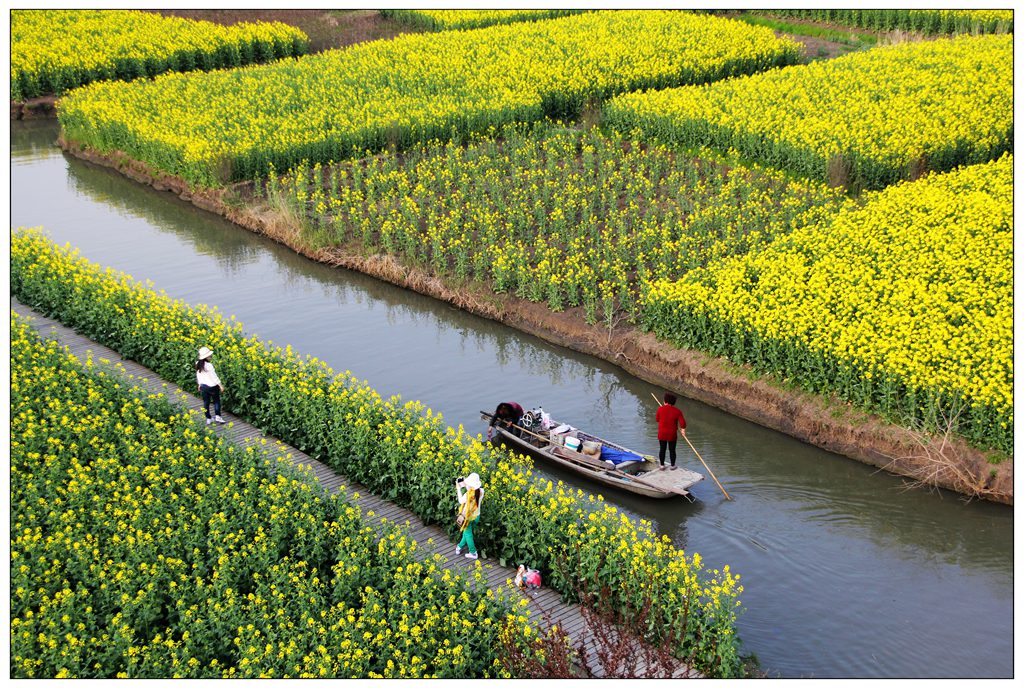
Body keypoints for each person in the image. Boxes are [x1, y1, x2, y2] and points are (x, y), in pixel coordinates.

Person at [454, 472, 484, 560]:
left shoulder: (468, 495)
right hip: (476, 516)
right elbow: (471, 488)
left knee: (468, 534)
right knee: (467, 533)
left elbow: (460, 501)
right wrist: (464, 484)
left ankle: (473, 552)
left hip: (467, 517)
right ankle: (459, 547)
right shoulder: (481, 491)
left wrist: (458, 488)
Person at [196, 346, 226, 425]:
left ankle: (208, 418)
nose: (211, 357)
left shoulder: (198, 364)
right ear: (205, 357)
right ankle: (218, 417)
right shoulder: (209, 365)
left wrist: (199, 384)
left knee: (206, 402)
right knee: (216, 401)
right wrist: (220, 385)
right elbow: (214, 377)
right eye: (209, 356)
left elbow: (198, 375)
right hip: (213, 387)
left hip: (203, 387)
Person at [655, 392, 686, 470]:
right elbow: (683, 423)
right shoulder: (677, 411)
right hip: (672, 434)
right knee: (672, 450)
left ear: (665, 401)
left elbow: (657, 419)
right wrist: (683, 430)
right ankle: (672, 466)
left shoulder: (660, 409)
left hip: (662, 433)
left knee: (662, 449)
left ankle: (662, 465)